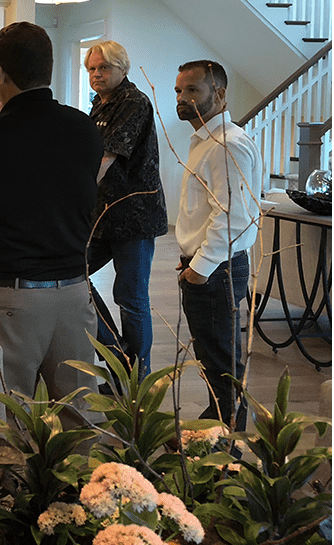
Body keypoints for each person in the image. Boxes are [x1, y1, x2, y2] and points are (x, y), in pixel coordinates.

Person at [0, 22, 103, 421]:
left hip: (9, 296)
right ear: (49, 68)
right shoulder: (85, 128)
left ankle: (9, 486)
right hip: (75, 294)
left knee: (2, 417)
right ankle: (78, 485)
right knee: (80, 416)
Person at [175, 60, 262, 429]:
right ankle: (217, 425)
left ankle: (228, 442)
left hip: (217, 269)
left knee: (222, 360)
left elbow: (233, 216)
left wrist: (200, 268)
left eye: (192, 90)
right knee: (213, 356)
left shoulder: (228, 144)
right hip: (207, 266)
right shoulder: (205, 141)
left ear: (220, 94)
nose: (182, 98)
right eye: (179, 90)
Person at [84, 41, 168, 380]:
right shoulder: (98, 105)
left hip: (134, 217)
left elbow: (107, 157)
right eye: (91, 69)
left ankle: (137, 381)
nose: (96, 74)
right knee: (72, 274)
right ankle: (119, 356)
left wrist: (76, 191)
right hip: (103, 215)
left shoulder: (134, 102)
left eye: (103, 68)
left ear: (122, 68)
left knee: (131, 298)